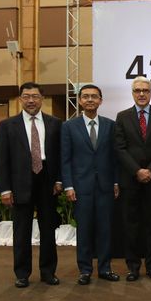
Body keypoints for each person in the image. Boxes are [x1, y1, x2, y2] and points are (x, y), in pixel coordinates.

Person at [0, 82, 62, 288]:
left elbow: (60, 156)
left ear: (42, 99)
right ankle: (22, 273)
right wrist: (5, 189)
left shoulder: (55, 123)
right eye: (26, 96)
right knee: (21, 230)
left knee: (48, 229)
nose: (31, 100)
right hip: (20, 183)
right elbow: (2, 160)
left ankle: (48, 272)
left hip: (47, 181)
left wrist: (59, 180)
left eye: (35, 96)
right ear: (20, 99)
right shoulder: (7, 125)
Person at [62, 84, 120, 285]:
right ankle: (85, 270)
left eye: (94, 96)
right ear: (79, 100)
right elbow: (65, 159)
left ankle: (105, 268)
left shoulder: (110, 125)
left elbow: (115, 158)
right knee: (84, 230)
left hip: (105, 186)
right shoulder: (69, 127)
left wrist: (115, 181)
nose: (90, 100)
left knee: (105, 230)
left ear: (101, 101)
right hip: (81, 187)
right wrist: (68, 185)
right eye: (85, 96)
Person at [115, 76, 151, 281]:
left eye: (145, 91)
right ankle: (133, 267)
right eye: (137, 90)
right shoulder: (122, 117)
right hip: (131, 180)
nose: (141, 94)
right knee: (130, 225)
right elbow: (120, 148)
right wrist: (137, 171)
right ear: (132, 93)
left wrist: (150, 170)